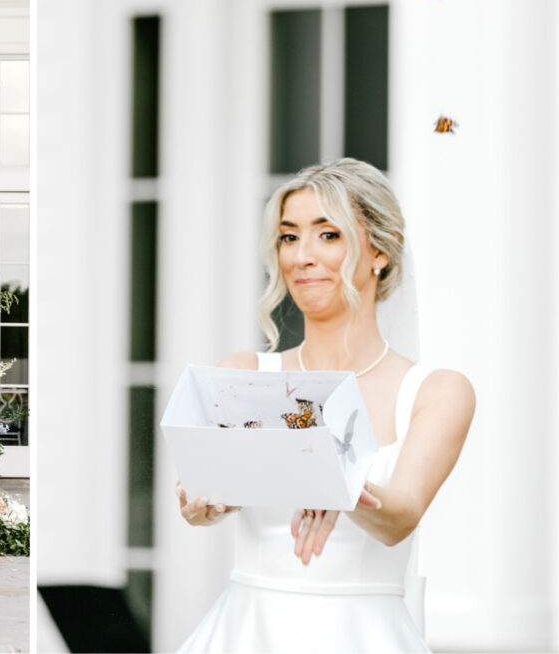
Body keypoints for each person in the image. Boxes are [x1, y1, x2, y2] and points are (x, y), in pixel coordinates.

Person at [177, 158, 475, 652]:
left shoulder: (436, 391)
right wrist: (202, 502)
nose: (301, 257)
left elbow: (400, 518)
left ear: (380, 250)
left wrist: (336, 480)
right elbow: (195, 497)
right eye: (289, 237)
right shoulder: (243, 373)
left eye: (328, 235)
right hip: (246, 632)